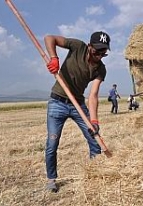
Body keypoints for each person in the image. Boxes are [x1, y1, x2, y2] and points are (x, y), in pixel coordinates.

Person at [44, 31, 111, 192]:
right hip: (57, 102)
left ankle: (93, 175)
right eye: (97, 51)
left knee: (95, 140)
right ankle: (51, 179)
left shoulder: (101, 69)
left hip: (78, 105)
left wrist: (94, 121)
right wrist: (54, 58)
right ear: (89, 47)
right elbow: (49, 38)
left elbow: (93, 95)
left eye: (103, 53)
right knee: (52, 143)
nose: (99, 56)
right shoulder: (78, 46)